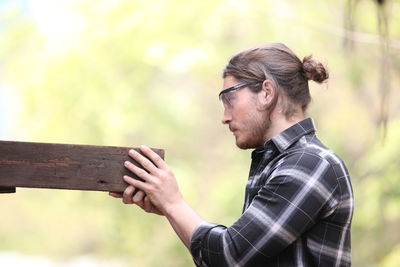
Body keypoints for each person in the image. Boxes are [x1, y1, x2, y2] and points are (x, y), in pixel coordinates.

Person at [109, 43, 354, 266]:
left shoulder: (310, 164)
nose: (224, 117)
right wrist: (168, 207)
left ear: (267, 93)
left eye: (230, 100)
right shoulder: (284, 162)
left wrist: (174, 204)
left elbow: (230, 256)